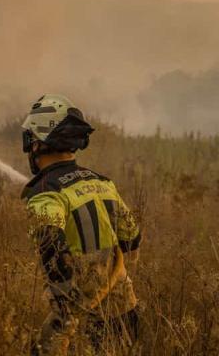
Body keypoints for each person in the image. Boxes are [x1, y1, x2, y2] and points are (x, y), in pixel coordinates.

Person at [20, 94, 142, 355]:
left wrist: (65, 307)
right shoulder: (102, 182)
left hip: (81, 321)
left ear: (39, 141)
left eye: (30, 140)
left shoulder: (44, 190)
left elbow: (49, 242)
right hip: (126, 312)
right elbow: (132, 238)